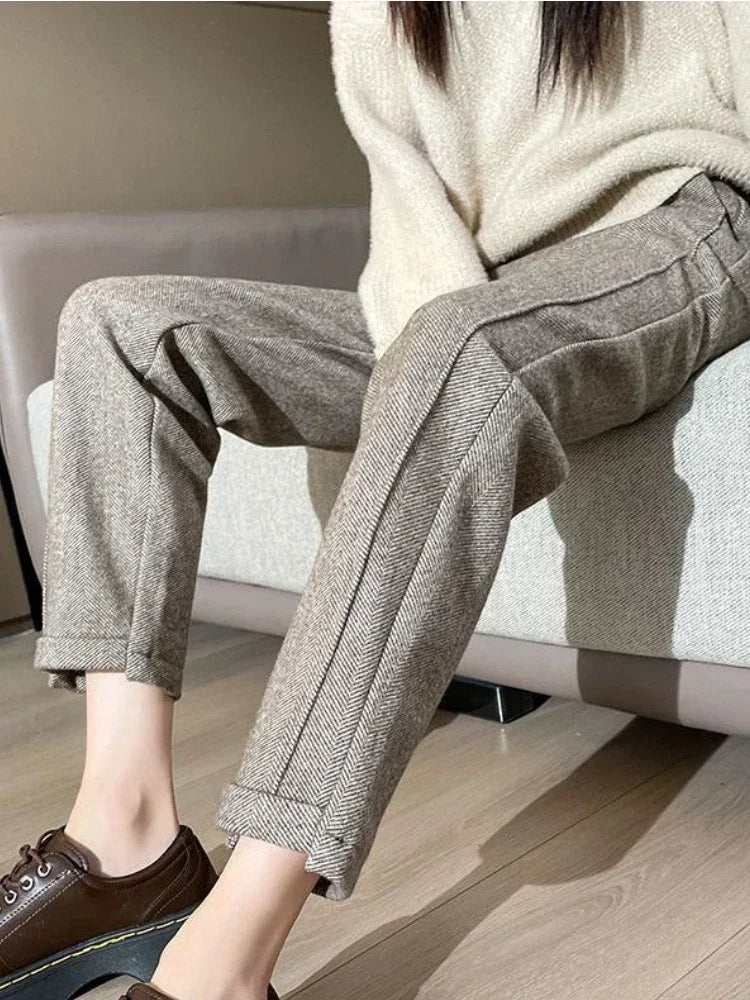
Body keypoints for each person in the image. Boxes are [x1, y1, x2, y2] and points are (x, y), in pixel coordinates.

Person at [2, 2, 749, 998]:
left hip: (687, 221)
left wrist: (458, 357)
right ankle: (123, 837)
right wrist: (438, 354)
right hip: (477, 281)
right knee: (120, 326)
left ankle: (231, 950)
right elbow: (411, 200)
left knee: (460, 358)